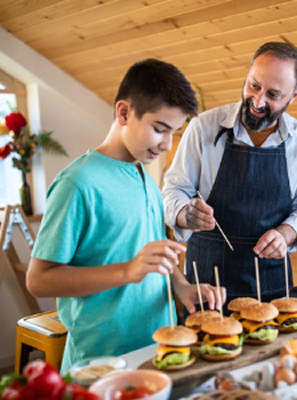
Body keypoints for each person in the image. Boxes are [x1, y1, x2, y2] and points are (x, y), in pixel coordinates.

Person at [26, 59, 226, 373]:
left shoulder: (144, 177)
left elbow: (155, 248)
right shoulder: (77, 183)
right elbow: (38, 279)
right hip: (99, 362)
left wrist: (182, 286)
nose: (167, 144)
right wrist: (127, 271)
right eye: (159, 129)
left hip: (157, 350)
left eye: (173, 132)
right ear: (124, 113)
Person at [162, 42, 297, 310]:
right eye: (254, 86)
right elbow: (173, 191)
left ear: (294, 96)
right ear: (247, 74)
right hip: (207, 282)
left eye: (273, 94)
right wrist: (183, 213)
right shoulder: (203, 128)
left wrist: (286, 233)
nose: (258, 101)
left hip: (272, 281)